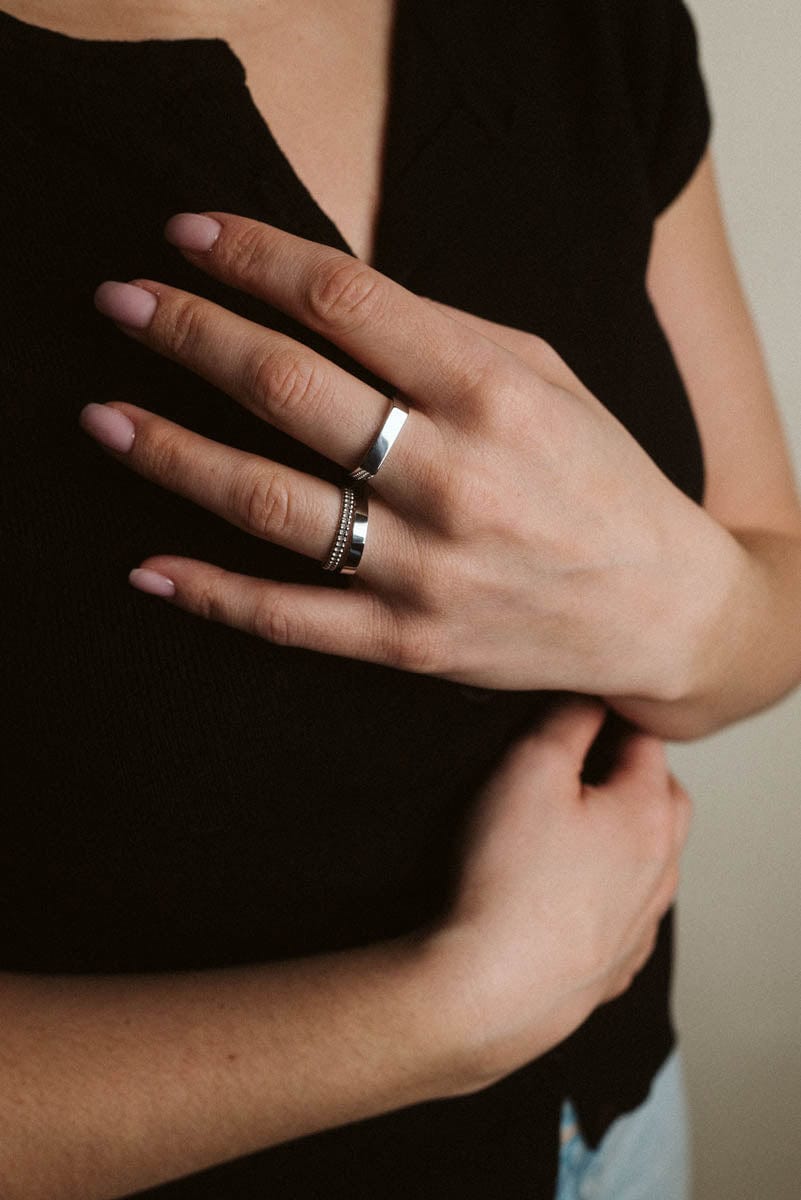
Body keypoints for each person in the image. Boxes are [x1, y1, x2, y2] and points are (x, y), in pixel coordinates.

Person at [1, 1, 800, 1197]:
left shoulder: (590, 26)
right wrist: (444, 1016)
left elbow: (773, 584)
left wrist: (684, 608)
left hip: (606, 1136)